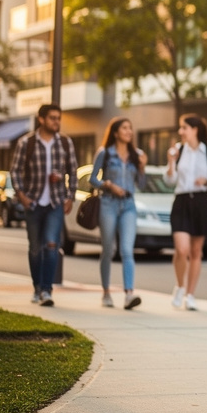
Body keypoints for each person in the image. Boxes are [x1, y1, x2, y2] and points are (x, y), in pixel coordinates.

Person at [10, 103, 78, 307]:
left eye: (58, 118)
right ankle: (37, 287)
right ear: (41, 119)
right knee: (35, 249)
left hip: (55, 202)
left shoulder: (65, 143)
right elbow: (15, 171)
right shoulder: (26, 143)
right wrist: (21, 196)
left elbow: (73, 171)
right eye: (52, 118)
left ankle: (47, 290)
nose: (56, 122)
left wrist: (70, 196)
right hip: (33, 203)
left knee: (51, 245)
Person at [164, 113, 207, 311]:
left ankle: (190, 294)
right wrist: (170, 162)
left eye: (184, 128)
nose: (180, 131)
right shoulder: (178, 151)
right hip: (181, 201)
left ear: (194, 130)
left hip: (200, 201)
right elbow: (169, 181)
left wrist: (206, 181)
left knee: (196, 251)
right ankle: (179, 286)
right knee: (181, 250)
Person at [89, 117, 147, 310]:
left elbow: (142, 184)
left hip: (129, 205)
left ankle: (129, 294)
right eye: (124, 128)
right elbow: (92, 179)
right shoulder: (105, 153)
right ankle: (106, 292)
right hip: (108, 204)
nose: (129, 131)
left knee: (127, 250)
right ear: (115, 132)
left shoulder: (136, 155)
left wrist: (142, 167)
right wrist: (108, 185)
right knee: (108, 250)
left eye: (130, 128)